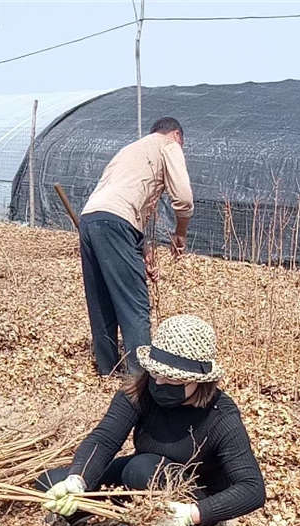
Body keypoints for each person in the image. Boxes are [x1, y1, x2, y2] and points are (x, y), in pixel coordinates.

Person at [38, 315, 266, 526]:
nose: (158, 381)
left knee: (141, 469)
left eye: (170, 378)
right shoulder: (140, 389)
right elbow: (105, 437)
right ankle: (89, 509)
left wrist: (192, 514)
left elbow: (252, 489)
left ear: (197, 381)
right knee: (50, 481)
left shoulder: (221, 416)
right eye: (155, 372)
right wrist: (78, 480)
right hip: (144, 477)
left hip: (189, 498)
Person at [79, 117, 194, 379]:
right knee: (135, 303)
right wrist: (180, 233)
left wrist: (141, 251)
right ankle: (141, 378)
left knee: (101, 299)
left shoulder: (130, 150)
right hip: (117, 221)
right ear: (176, 134)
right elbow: (183, 198)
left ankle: (108, 370)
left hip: (90, 219)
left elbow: (128, 200)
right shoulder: (169, 145)